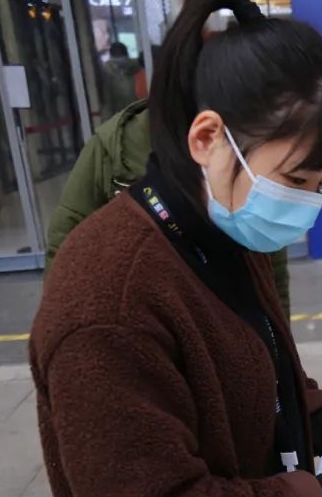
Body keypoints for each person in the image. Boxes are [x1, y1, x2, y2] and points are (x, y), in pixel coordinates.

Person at [30, 0, 322, 497]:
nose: (309, 205)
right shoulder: (111, 299)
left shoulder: (209, 230)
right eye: (299, 178)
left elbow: (250, 361)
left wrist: (316, 422)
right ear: (208, 137)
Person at [47, 72, 292, 317]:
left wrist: (280, 338)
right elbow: (65, 242)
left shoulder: (247, 141)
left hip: (226, 315)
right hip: (141, 318)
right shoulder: (118, 145)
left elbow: (272, 268)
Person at [100, 41, 141, 121]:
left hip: (118, 117)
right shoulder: (138, 68)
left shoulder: (106, 71)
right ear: (126, 53)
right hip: (137, 115)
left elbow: (107, 100)